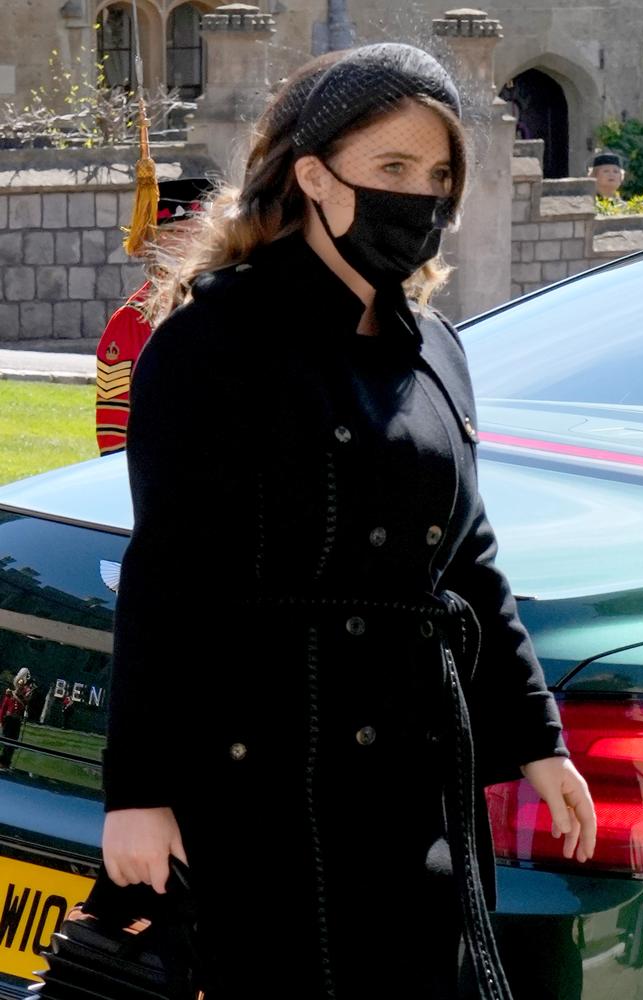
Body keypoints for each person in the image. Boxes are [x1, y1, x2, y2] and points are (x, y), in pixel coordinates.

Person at [101, 43, 596, 1000]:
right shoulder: (212, 341)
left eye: (441, 174)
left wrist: (538, 738)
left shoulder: (438, 350)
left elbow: (471, 560)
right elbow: (167, 575)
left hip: (413, 784)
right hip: (259, 782)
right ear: (314, 176)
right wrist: (140, 793)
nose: (424, 196)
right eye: (395, 170)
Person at [95, 177, 213, 456]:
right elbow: (116, 434)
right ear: (155, 242)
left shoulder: (225, 305)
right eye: (182, 233)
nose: (195, 245)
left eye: (203, 235)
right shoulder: (131, 322)